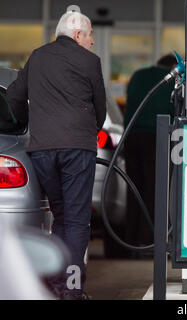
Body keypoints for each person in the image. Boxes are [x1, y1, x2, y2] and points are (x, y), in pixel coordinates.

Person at [6, 10, 106, 300]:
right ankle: (71, 289)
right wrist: (88, 131)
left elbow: (13, 97)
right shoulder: (90, 61)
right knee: (76, 220)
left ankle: (54, 284)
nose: (92, 41)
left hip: (42, 150)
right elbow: (99, 108)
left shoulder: (37, 56)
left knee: (61, 217)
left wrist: (29, 123)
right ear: (77, 35)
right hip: (77, 150)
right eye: (89, 36)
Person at [123, 54, 177, 257]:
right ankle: (148, 243)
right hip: (156, 137)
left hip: (132, 136)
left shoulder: (138, 75)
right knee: (154, 191)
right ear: (172, 66)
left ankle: (130, 243)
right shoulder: (172, 79)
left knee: (133, 189)